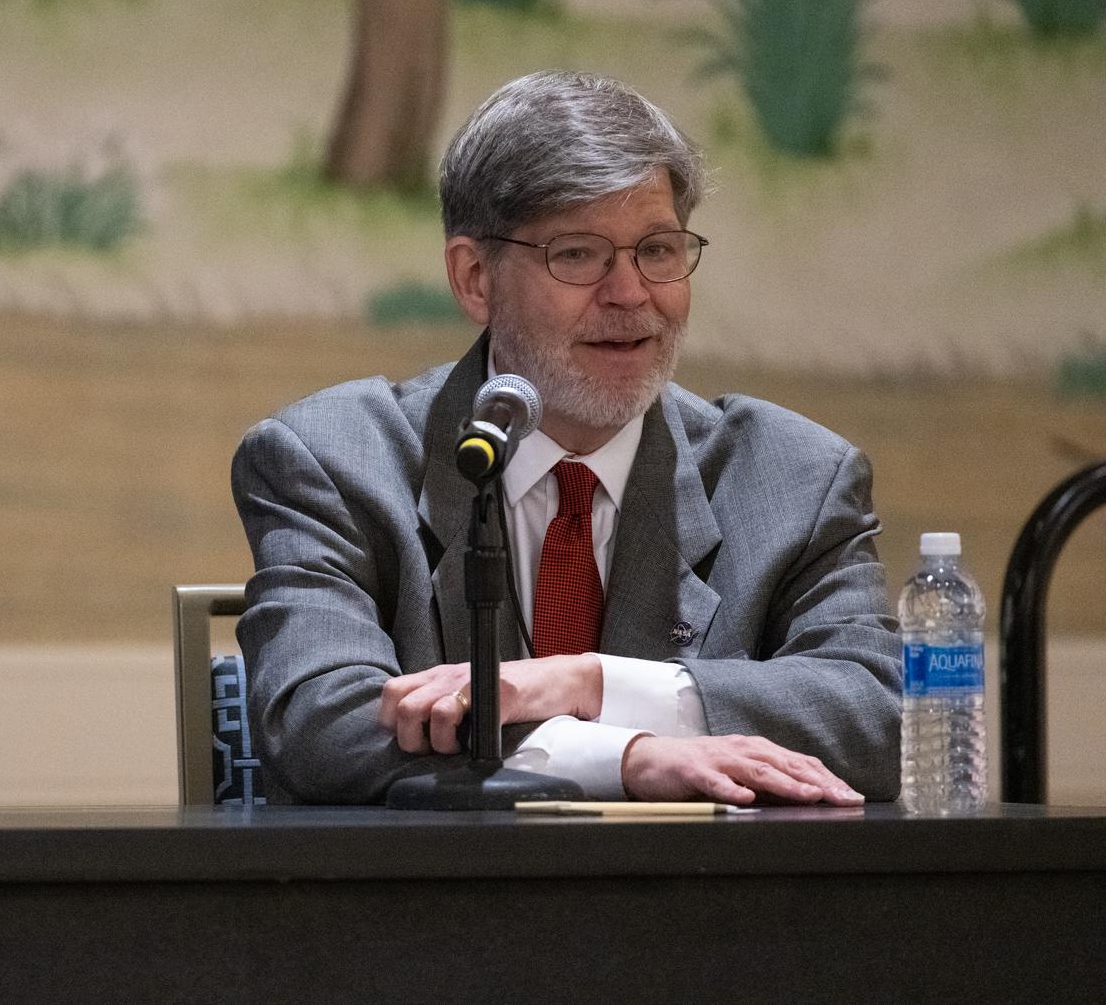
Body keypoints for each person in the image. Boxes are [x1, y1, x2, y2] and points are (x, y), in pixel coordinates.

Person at [231, 72, 899, 805]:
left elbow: (881, 716)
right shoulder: (333, 459)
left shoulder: (794, 478)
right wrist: (626, 756)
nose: (630, 293)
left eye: (658, 250)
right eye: (578, 254)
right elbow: (319, 721)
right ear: (475, 278)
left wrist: (590, 682)